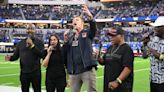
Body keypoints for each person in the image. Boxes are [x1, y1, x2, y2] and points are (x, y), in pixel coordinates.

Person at [63, 5, 97, 92]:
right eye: (73, 21)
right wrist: (65, 41)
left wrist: (90, 17)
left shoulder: (87, 33)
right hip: (74, 71)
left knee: (92, 90)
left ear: (82, 23)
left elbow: (93, 29)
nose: (74, 21)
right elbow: (64, 54)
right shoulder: (70, 38)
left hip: (87, 69)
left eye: (77, 20)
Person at [5, 24, 44, 92]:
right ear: (26, 30)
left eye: (31, 29)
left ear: (35, 30)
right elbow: (16, 56)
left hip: (35, 72)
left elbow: (42, 55)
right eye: (28, 29)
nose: (30, 30)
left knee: (37, 90)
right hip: (24, 73)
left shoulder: (39, 43)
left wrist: (32, 46)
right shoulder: (20, 43)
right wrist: (10, 58)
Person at [98, 26, 134, 92]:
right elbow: (103, 62)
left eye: (113, 36)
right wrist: (97, 57)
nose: (111, 38)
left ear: (121, 36)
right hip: (108, 84)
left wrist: (117, 81)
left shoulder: (127, 49)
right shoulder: (110, 48)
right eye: (110, 36)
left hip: (122, 87)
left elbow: (128, 68)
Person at [143, 16, 164, 92]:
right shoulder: (153, 40)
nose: (155, 29)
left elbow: (158, 55)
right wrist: (145, 44)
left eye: (157, 27)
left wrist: (156, 54)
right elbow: (144, 56)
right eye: (155, 27)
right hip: (153, 79)